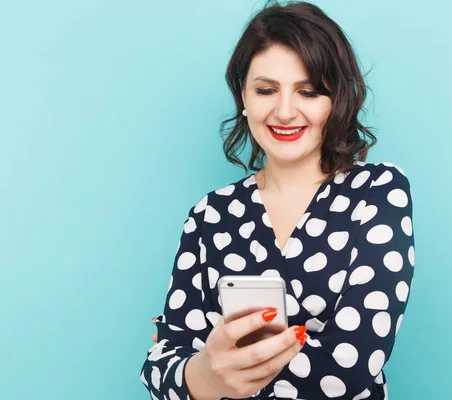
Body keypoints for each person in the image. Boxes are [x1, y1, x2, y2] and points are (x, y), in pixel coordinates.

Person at [140, 1, 415, 399]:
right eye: (266, 90)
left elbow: (351, 367)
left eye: (308, 91)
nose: (285, 111)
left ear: (335, 98)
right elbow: (158, 366)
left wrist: (210, 371)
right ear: (244, 96)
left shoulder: (377, 191)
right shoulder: (210, 216)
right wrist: (198, 370)